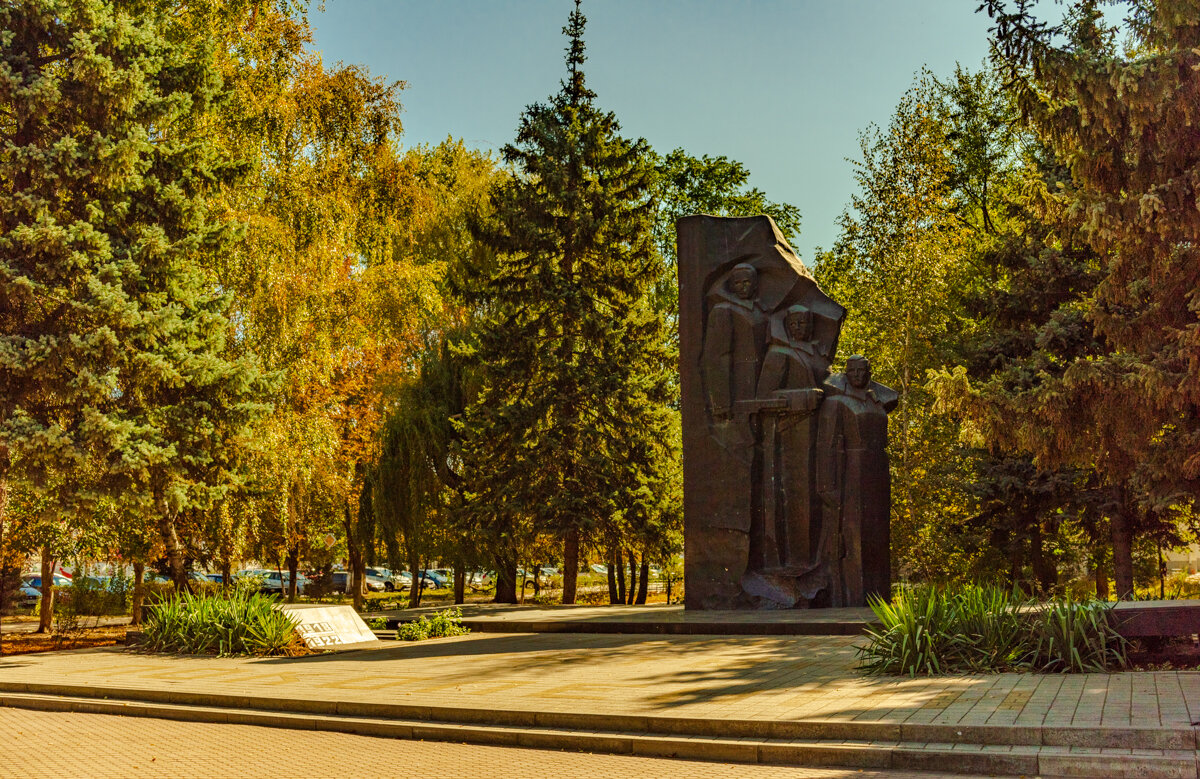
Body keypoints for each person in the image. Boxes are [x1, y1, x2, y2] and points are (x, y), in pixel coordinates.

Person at [816, 355, 897, 606]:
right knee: (854, 537)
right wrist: (828, 487)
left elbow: (891, 399)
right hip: (851, 475)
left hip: (877, 473)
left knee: (876, 536)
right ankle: (852, 598)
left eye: (864, 370)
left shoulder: (876, 400)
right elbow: (826, 447)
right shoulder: (836, 403)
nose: (859, 376)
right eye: (853, 371)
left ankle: (877, 597)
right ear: (846, 373)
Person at [754, 304, 829, 573]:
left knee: (820, 495)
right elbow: (763, 399)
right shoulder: (778, 354)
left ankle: (817, 560)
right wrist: (803, 397)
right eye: (794, 323)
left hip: (821, 434)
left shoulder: (816, 355)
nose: (800, 328)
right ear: (787, 326)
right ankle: (795, 560)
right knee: (796, 496)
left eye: (804, 323)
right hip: (790, 435)